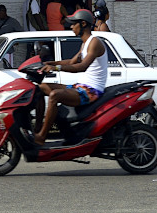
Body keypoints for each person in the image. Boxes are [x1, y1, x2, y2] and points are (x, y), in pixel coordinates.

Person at [33, 9, 108, 145]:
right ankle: (37, 129)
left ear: (83, 24)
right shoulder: (84, 44)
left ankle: (42, 137)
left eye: (74, 24)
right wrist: (49, 63)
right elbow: (72, 62)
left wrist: (56, 68)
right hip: (80, 87)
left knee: (55, 95)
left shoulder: (94, 42)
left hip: (91, 91)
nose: (71, 27)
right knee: (40, 88)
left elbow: (81, 67)